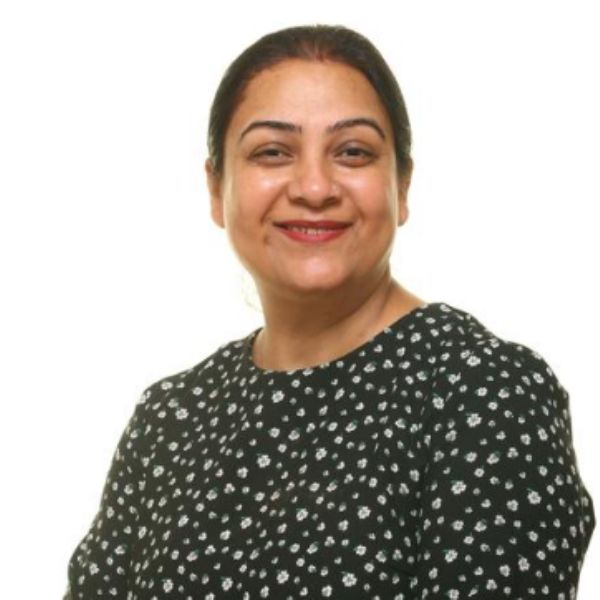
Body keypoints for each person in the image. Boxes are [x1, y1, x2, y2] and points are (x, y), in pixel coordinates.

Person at [63, 24, 595, 599]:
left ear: (402, 185)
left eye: (352, 152)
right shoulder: (170, 418)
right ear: (217, 188)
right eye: (272, 152)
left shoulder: (484, 392)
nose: (315, 187)